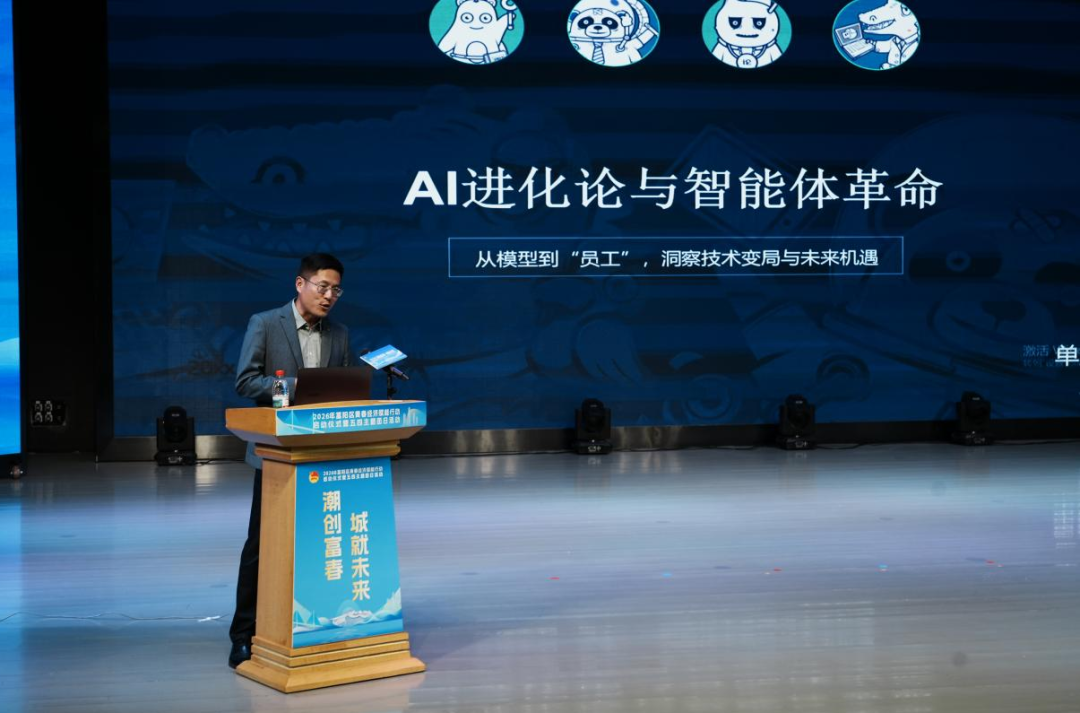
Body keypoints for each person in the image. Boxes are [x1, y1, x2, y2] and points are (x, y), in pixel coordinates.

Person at [228, 253, 353, 668]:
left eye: (336, 290)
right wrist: (296, 387)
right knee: (261, 547)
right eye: (322, 287)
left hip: (324, 455)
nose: (329, 296)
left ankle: (312, 627)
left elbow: (341, 388)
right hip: (276, 454)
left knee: (320, 546)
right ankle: (243, 634)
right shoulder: (265, 323)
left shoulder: (340, 334)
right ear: (300, 284)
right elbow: (246, 381)